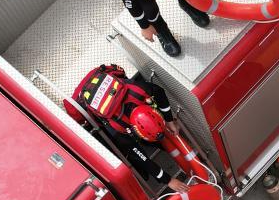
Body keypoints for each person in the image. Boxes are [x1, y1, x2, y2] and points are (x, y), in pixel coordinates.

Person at [68, 64, 190, 192]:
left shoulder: (139, 90)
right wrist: (168, 180)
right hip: (86, 97)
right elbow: (141, 158)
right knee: (126, 151)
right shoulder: (118, 129)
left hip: (105, 82)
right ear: (134, 131)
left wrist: (169, 121)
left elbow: (159, 92)